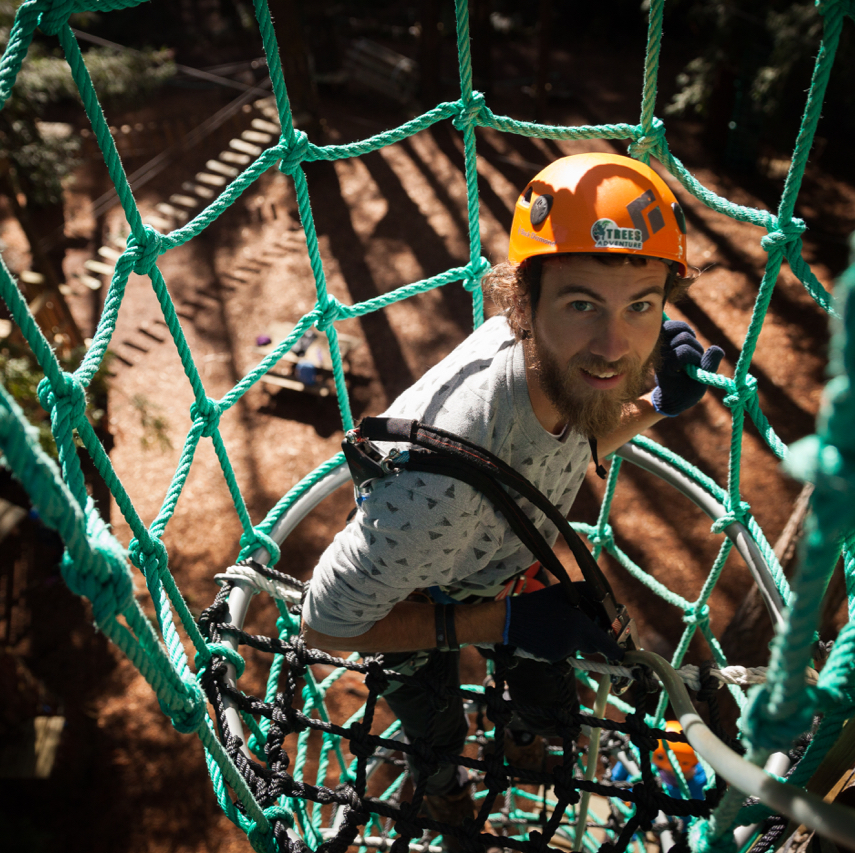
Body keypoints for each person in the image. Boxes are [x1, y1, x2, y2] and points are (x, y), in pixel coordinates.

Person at [300, 152, 723, 847]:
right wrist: (499, 624)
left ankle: (524, 739)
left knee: (550, 697)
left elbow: (569, 442)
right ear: (522, 303)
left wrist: (652, 404)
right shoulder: (435, 487)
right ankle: (445, 795)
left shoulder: (557, 371)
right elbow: (324, 626)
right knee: (436, 733)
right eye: (582, 303)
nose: (615, 345)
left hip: (498, 555)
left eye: (641, 304)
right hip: (416, 591)